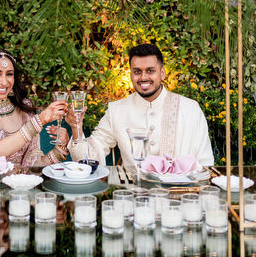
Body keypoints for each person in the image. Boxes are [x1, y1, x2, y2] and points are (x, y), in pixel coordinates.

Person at [65, 43, 214, 168]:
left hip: (179, 196)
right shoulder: (116, 110)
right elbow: (89, 158)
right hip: (132, 196)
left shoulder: (190, 109)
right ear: (130, 74)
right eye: (137, 71)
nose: (143, 77)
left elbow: (205, 164)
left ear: (162, 73)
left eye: (150, 71)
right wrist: (76, 128)